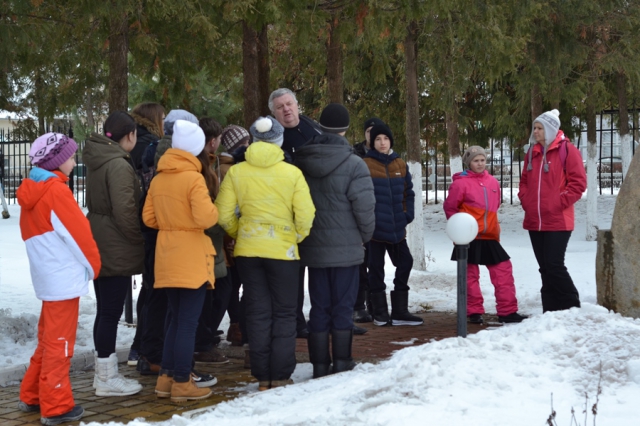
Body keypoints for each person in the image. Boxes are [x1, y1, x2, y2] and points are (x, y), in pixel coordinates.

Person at [216, 116, 315, 391]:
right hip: (283, 251)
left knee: (257, 311)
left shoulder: (237, 171)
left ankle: (262, 376)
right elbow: (306, 214)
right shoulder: (291, 173)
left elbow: (223, 214)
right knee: (284, 312)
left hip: (249, 251)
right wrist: (295, 236)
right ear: (279, 140)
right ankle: (280, 374)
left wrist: (240, 232)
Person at [16, 133, 101, 426]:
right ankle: (56, 406)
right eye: (69, 156)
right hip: (62, 281)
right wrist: (94, 266)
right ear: (55, 161)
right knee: (59, 344)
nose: (74, 160)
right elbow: (80, 236)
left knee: (47, 340)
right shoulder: (56, 192)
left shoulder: (33, 192)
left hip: (48, 278)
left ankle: (32, 394)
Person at [295, 104, 375, 378]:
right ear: (346, 129)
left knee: (319, 306)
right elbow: (365, 209)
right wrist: (363, 238)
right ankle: (342, 361)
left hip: (314, 247)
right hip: (347, 248)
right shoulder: (354, 164)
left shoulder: (302, 161)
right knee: (343, 305)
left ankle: (319, 365)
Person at [143, 120, 219, 402]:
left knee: (174, 319)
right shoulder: (194, 178)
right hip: (190, 256)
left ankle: (166, 379)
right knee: (187, 323)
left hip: (166, 255)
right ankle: (182, 382)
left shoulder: (160, 176)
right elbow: (207, 217)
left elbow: (148, 218)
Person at [84, 111, 144, 396]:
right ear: (129, 135)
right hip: (115, 243)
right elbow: (125, 211)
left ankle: (103, 373)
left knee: (104, 310)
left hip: (98, 237)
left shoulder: (98, 158)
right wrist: (136, 239)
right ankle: (107, 378)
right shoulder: (118, 164)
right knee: (110, 311)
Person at [444, 146, 527, 324]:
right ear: (469, 163)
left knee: (503, 270)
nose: (480, 163)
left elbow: (495, 207)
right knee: (469, 275)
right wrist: (458, 230)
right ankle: (473, 311)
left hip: (489, 235)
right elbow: (450, 207)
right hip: (468, 236)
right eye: (476, 160)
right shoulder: (460, 183)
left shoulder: (492, 182)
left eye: (482, 160)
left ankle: (507, 311)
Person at [519, 109, 586, 313]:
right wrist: (527, 201)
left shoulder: (568, 150)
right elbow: (523, 183)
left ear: (549, 129)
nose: (536, 132)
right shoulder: (532, 152)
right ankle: (550, 310)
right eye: (535, 128)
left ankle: (572, 306)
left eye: (539, 128)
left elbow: (578, 184)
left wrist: (557, 203)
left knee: (555, 265)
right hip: (535, 220)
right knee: (544, 268)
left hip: (558, 220)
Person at [269, 88, 322, 339]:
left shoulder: (314, 129)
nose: (286, 109)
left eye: (289, 104)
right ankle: (297, 321)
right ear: (273, 112)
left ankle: (326, 317)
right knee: (295, 272)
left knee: (322, 268)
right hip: (288, 215)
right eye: (280, 107)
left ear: (297, 105)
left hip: (320, 210)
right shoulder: (271, 138)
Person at [363, 123, 423, 327]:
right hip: (375, 230)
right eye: (378, 139)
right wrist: (368, 220)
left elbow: (409, 192)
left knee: (405, 262)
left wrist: (407, 215)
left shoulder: (400, 163)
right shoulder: (365, 164)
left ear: (390, 141)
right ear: (372, 142)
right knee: (376, 269)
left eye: (385, 139)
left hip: (397, 227)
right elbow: (361, 196)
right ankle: (379, 312)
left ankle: (399, 311)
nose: (382, 142)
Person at [126, 102, 165, 367]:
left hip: (138, 223)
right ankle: (143, 347)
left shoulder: (131, 141)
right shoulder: (151, 144)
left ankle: (139, 346)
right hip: (150, 224)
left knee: (148, 289)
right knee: (153, 289)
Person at [194, 116, 229, 365]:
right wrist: (223, 228)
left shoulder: (206, 163)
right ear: (214, 141)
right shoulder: (201, 168)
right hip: (207, 241)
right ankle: (202, 344)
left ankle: (204, 340)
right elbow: (207, 211)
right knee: (211, 294)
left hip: (209, 241)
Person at [352, 117, 385, 323]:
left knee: (376, 266)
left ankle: (376, 305)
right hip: (360, 219)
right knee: (360, 266)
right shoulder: (355, 155)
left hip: (381, 220)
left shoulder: (386, 157)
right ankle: (357, 305)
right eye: (369, 132)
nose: (373, 136)